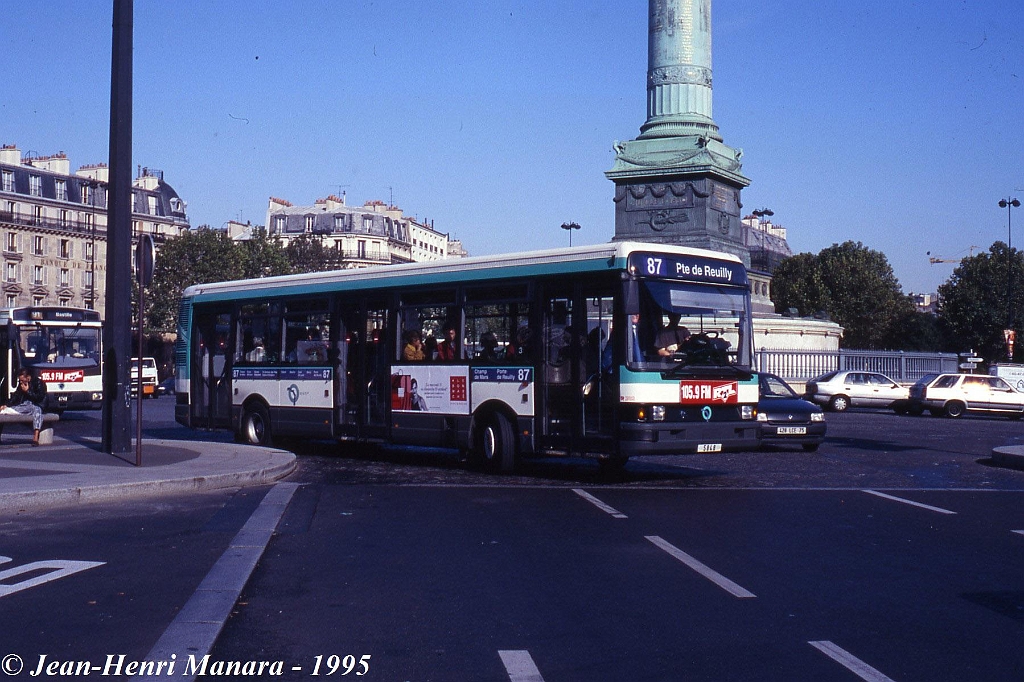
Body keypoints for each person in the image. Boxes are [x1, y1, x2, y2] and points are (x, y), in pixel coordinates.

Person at [2, 368, 47, 446]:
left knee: (37, 411)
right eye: (20, 381)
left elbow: (39, 398)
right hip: (26, 405)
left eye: (22, 380)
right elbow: (16, 396)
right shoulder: (21, 385)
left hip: (38, 404)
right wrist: (7, 404)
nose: (21, 382)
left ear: (28, 377)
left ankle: (36, 436)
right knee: (6, 411)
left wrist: (27, 391)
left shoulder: (39, 383)